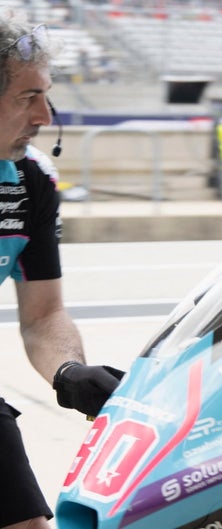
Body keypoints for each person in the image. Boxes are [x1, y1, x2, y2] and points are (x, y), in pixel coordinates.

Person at [0, 17, 122, 529]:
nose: (45, 116)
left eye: (46, 95)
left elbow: (43, 314)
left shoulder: (29, 181)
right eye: (29, 97)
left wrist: (69, 373)